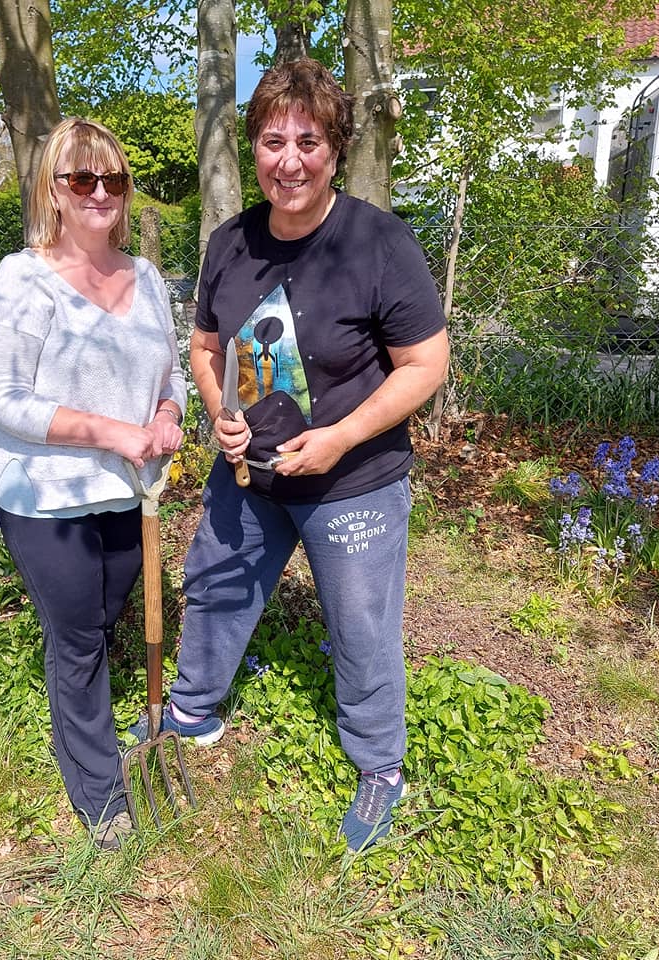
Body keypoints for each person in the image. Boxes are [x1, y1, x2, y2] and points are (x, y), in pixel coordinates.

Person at [150, 59, 449, 851]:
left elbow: (426, 364)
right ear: (254, 149)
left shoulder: (378, 242)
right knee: (214, 587)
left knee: (360, 623)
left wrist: (342, 437)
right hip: (249, 474)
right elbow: (207, 345)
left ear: (335, 149)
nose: (290, 159)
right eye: (273, 140)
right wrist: (221, 417)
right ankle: (190, 713)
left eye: (308, 140)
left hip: (354, 480)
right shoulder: (229, 243)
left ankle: (380, 764)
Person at [0, 117, 186, 850]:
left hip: (129, 493)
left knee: (100, 624)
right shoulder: (23, 278)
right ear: (54, 190)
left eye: (114, 180)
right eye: (81, 179)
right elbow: (4, 398)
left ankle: (92, 725)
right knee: (76, 638)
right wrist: (114, 431)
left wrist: (166, 412)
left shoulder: (147, 277)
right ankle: (101, 799)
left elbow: (174, 375)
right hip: (45, 497)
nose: (100, 192)